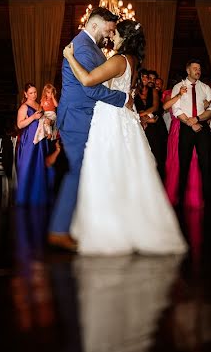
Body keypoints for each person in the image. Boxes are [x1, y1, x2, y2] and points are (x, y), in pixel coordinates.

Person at [62, 19, 187, 255]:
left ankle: (110, 229)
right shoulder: (132, 61)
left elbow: (88, 80)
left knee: (107, 169)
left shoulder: (119, 60)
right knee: (126, 170)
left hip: (111, 118)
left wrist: (69, 56)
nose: (112, 37)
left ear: (125, 37)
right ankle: (128, 224)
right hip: (124, 118)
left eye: (115, 33)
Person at [48, 7, 129, 252]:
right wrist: (123, 99)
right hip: (76, 117)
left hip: (85, 117)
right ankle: (59, 230)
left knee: (87, 171)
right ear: (95, 24)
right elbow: (91, 89)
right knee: (79, 170)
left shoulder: (90, 46)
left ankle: (77, 225)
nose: (111, 32)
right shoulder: (81, 47)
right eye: (109, 28)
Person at [163, 79, 203, 209]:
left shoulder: (197, 91)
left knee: (193, 160)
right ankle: (175, 195)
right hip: (177, 129)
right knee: (176, 161)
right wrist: (179, 94)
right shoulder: (169, 93)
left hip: (190, 126)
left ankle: (191, 196)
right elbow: (165, 106)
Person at [16, 83, 49, 206]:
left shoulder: (39, 105)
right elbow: (19, 125)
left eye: (35, 92)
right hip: (29, 140)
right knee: (28, 166)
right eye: (31, 93)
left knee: (39, 166)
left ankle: (38, 197)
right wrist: (33, 117)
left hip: (40, 139)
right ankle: (25, 197)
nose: (34, 95)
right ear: (25, 94)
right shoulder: (24, 107)